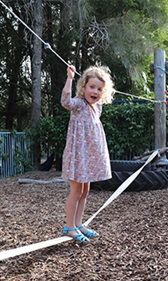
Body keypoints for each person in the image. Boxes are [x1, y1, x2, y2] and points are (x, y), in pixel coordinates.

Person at [61, 64, 115, 243]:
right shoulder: (78, 104)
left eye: (99, 89)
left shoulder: (97, 107)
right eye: (92, 87)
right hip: (78, 156)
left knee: (85, 191)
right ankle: (69, 227)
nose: (95, 91)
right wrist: (69, 78)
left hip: (88, 157)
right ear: (83, 87)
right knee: (76, 191)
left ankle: (78, 224)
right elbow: (65, 102)